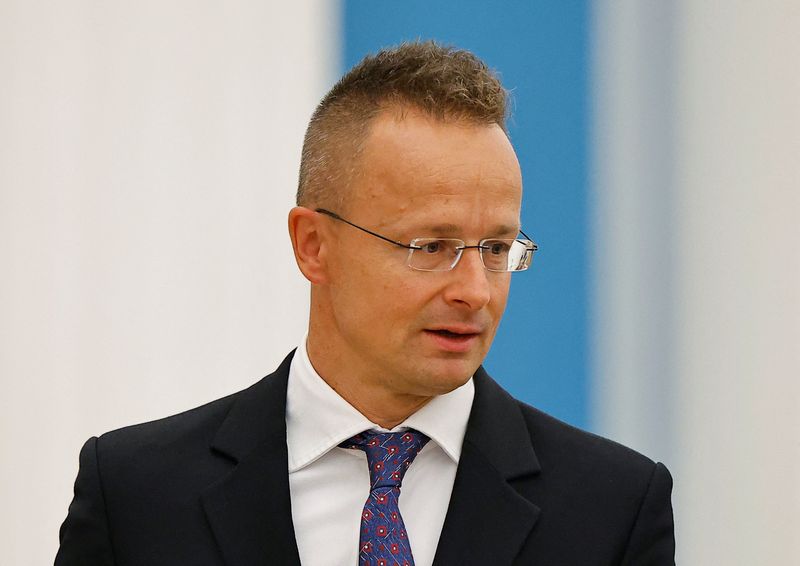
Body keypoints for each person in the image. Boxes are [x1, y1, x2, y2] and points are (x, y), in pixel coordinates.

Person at [56, 41, 675, 565]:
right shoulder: (137, 495)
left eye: (496, 247)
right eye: (431, 245)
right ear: (313, 245)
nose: (475, 290)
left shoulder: (612, 509)